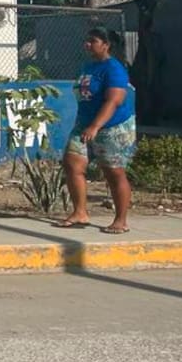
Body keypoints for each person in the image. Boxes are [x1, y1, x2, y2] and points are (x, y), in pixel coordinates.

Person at [57, 27, 136, 234]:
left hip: (112, 127)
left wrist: (95, 126)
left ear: (106, 44)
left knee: (113, 173)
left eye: (93, 41)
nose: (87, 44)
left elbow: (114, 100)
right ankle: (80, 212)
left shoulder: (114, 68)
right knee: (72, 163)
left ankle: (120, 220)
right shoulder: (88, 66)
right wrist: (87, 124)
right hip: (84, 124)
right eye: (87, 40)